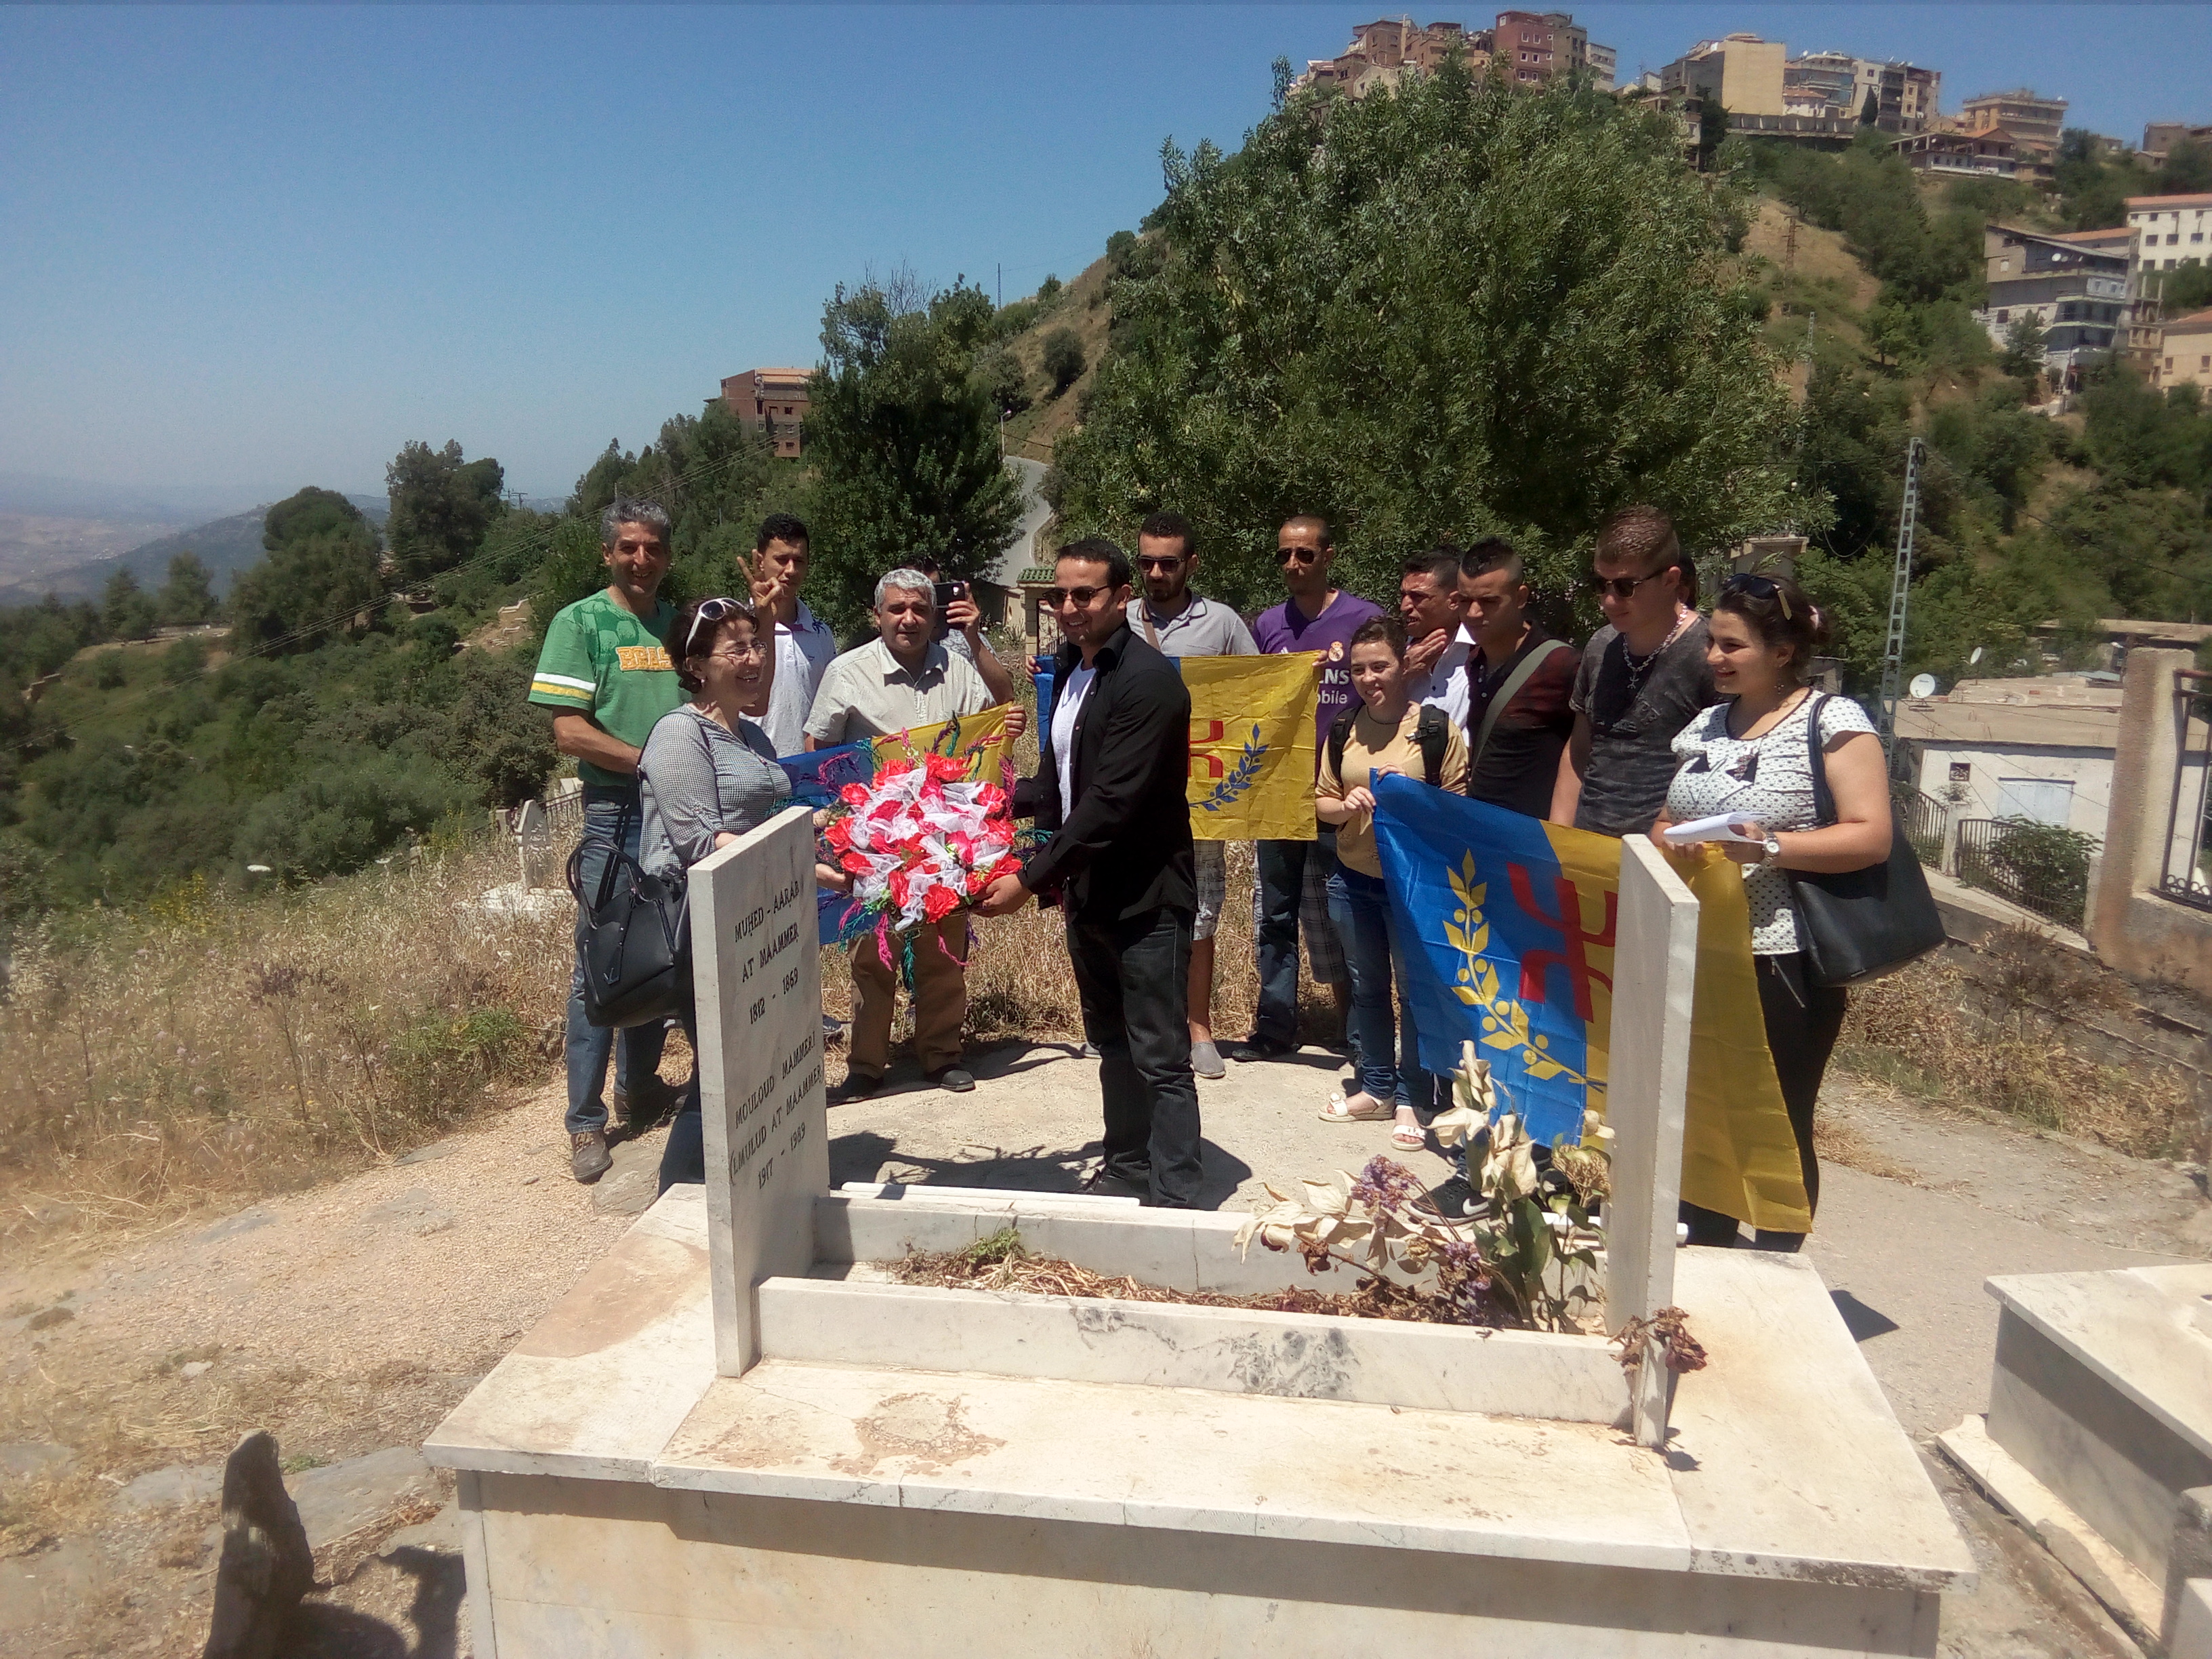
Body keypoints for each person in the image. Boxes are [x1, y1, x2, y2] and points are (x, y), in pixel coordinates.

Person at [1657, 573, 1889, 1251]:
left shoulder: (1833, 722)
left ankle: (1781, 1278)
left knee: (1774, 1120)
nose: (1715, 658)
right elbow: (1673, 814)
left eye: (1733, 646)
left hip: (1782, 961)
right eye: (1712, 644)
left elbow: (1870, 834)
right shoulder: (1705, 724)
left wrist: (1771, 848)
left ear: (1782, 651)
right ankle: (1707, 1267)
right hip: (1700, 951)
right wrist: (1662, 836)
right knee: (1704, 1119)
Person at [977, 538, 1202, 1208]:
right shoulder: (1075, 673)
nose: (1069, 608)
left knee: (1159, 1055)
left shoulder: (1149, 682)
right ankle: (1129, 1167)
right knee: (1111, 1043)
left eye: (1086, 595)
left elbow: (1109, 805)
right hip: (1091, 895)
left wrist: (1026, 877)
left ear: (1121, 597)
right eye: (1060, 596)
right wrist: (985, 806)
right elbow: (1061, 783)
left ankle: (1178, 1197)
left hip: (1147, 899)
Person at [637, 592, 852, 1193]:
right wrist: (805, 864)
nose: (755, 657)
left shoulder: (752, 737)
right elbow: (701, 844)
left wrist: (831, 827)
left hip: (758, 919)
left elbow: (773, 822)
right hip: (700, 925)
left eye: (758, 644)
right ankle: (676, 1200)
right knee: (720, 1069)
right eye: (738, 648)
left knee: (757, 1061)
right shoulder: (680, 736)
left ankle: (756, 1185)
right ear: (696, 664)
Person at [804, 569, 1027, 1100]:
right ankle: (866, 1065)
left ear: (933, 615)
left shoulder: (958, 668)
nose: (909, 619)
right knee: (872, 956)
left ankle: (941, 1054)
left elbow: (998, 712)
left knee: (942, 952)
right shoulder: (847, 672)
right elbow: (818, 748)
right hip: (873, 840)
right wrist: (837, 821)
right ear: (877, 614)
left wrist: (977, 646)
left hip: (942, 837)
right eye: (897, 609)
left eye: (920, 610)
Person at [529, 497, 684, 1184]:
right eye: (628, 547)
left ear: (667, 556)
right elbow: (569, 732)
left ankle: (642, 1088)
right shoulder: (580, 621)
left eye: (652, 547)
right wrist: (650, 761)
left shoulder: (675, 623)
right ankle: (586, 1122)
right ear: (608, 554)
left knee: (659, 956)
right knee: (601, 964)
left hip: (673, 815)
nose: (641, 559)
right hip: (616, 815)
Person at [1313, 615, 1469, 1153]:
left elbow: (1460, 807)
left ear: (1404, 665)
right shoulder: (1343, 728)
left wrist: (1413, 796)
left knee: (1415, 992)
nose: (1368, 678)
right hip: (1353, 879)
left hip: (1416, 886)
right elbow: (1321, 802)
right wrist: (1345, 804)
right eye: (1358, 669)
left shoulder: (1433, 729)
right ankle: (1376, 1088)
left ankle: (1413, 1096)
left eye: (1379, 666)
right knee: (1368, 988)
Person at [1229, 514, 1381, 1065]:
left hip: (1342, 792)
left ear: (1328, 556)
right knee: (1275, 916)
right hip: (1279, 789)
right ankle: (1274, 1029)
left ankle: (1361, 1036)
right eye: (1285, 556)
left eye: (1305, 555)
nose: (1294, 565)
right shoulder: (1268, 625)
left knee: (1348, 915)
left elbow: (1383, 692)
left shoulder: (1364, 618)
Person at [1128, 510, 1257, 1081]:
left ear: (1192, 564)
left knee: (1200, 908)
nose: (1157, 572)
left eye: (1169, 562)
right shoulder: (1118, 616)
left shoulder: (1224, 624)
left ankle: (1198, 1027)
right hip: (1130, 794)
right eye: (1147, 562)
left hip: (1202, 794)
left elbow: (1259, 693)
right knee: (1124, 903)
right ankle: (1128, 1022)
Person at [1553, 504, 1717, 837]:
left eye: (1626, 587)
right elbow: (1579, 750)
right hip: (1588, 851)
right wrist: (1557, 839)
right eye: (1601, 584)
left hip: (1662, 861)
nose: (1609, 601)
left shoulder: (1711, 654)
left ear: (1671, 580)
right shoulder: (1601, 646)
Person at [1457, 539, 1579, 820]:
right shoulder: (1476, 660)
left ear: (1521, 597)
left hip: (1534, 839)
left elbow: (1586, 755)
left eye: (1489, 602)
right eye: (1464, 601)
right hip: (1482, 832)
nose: (1473, 613)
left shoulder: (1561, 664)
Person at [750, 513, 838, 760]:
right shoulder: (734, 630)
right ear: (759, 562)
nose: (790, 570)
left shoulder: (821, 634)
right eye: (781, 559)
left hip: (808, 770)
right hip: (749, 769)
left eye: (799, 561)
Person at [912, 551, 1022, 708]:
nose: (927, 601)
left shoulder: (966, 641)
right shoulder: (885, 649)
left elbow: (1005, 698)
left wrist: (973, 638)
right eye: (917, 593)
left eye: (934, 591)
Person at [1397, 549, 1471, 725]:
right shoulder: (1395, 654)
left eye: (1418, 597)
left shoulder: (1482, 654)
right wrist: (1401, 672)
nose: (1404, 606)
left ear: (1454, 601)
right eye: (1403, 595)